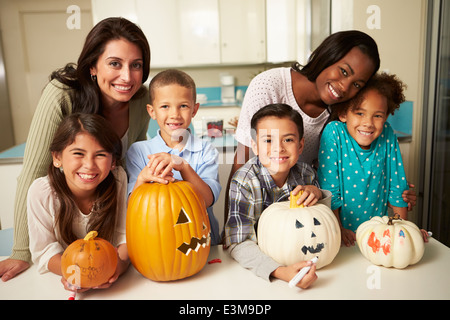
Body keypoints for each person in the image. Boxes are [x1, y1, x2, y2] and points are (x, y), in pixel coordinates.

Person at [0, 17, 151, 282]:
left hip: (106, 219)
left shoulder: (142, 101)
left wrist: (124, 253)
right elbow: (34, 172)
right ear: (93, 66)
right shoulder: (62, 94)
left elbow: (130, 163)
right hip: (66, 228)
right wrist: (21, 251)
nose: (127, 76)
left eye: (136, 65)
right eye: (115, 63)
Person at [225, 30, 416, 224]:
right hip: (257, 210)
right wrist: (230, 229)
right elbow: (241, 162)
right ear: (328, 55)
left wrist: (387, 186)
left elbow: (345, 167)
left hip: (305, 213)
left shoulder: (342, 111)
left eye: (357, 84)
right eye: (343, 71)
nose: (344, 87)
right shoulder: (268, 86)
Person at [224, 103, 331, 288]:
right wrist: (281, 272)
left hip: (304, 259)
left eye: (288, 140)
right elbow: (238, 242)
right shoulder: (244, 181)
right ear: (255, 146)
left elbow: (323, 225)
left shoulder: (307, 174)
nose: (278, 148)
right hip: (259, 270)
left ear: (300, 145)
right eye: (268, 140)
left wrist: (318, 193)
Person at [317, 73, 429, 247]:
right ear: (343, 113)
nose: (368, 122)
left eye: (377, 116)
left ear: (386, 115)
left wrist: (404, 230)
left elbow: (397, 188)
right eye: (360, 113)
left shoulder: (387, 133)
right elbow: (330, 190)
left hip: (379, 235)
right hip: (340, 235)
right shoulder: (334, 133)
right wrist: (338, 229)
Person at [27, 113, 129, 292]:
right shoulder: (41, 192)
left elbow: (124, 236)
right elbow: (44, 251)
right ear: (57, 157)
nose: (89, 165)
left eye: (100, 155)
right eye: (78, 153)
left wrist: (116, 268)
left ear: (113, 161)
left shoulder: (118, 179)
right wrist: (73, 273)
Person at [126, 69, 222, 245]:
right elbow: (132, 207)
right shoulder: (138, 151)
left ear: (194, 110)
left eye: (183, 106)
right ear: (151, 111)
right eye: (165, 106)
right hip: (155, 243)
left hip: (201, 243)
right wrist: (142, 178)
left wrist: (183, 166)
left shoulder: (205, 150)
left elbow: (207, 200)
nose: (175, 114)